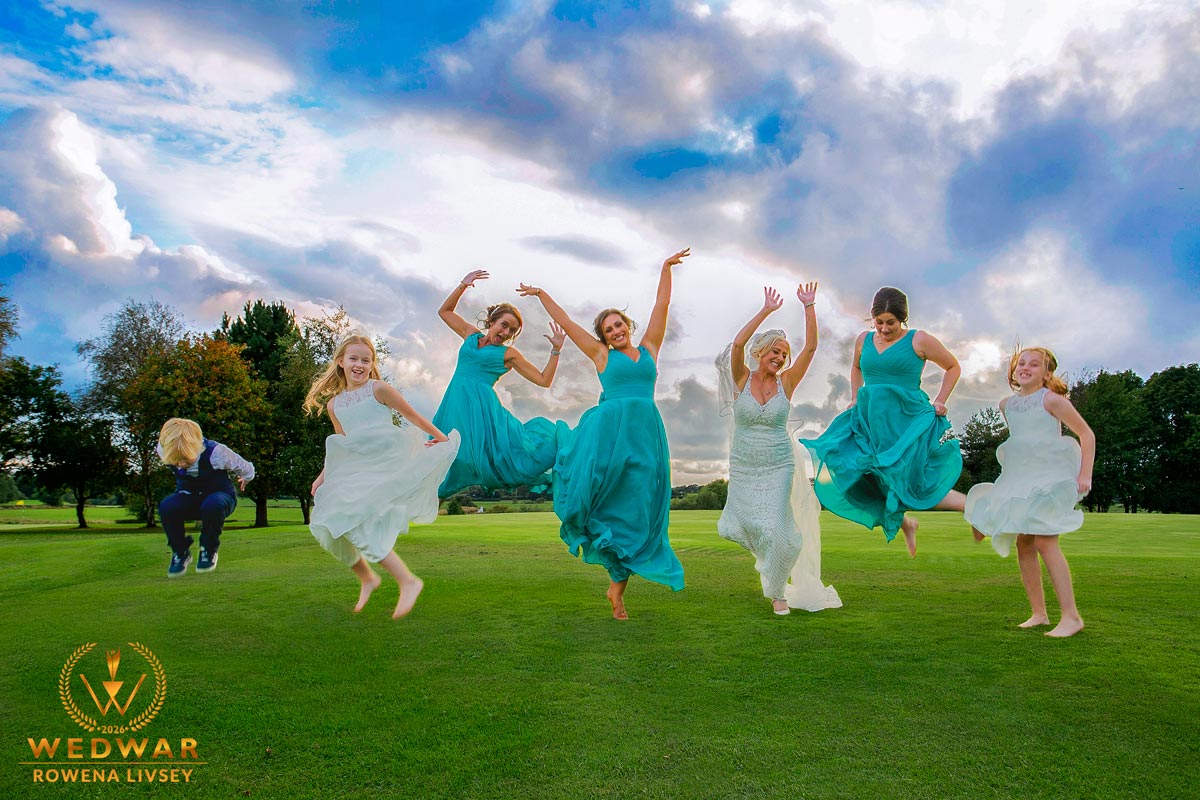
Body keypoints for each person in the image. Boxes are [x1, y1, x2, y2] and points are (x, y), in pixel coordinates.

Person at [518, 248, 690, 619]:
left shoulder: (649, 349)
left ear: (628, 325)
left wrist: (665, 268)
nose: (616, 330)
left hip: (646, 437)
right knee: (609, 506)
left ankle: (616, 587)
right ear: (605, 337)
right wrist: (541, 293)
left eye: (619, 324)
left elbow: (662, 305)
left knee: (640, 510)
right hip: (610, 439)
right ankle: (617, 589)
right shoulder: (601, 356)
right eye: (609, 329)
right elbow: (567, 321)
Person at [305, 334, 460, 619]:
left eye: (366, 360)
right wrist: (321, 477)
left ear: (372, 364)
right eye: (354, 358)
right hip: (356, 469)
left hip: (386, 461)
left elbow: (413, 416)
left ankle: (408, 581)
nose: (360, 365)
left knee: (361, 523)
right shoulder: (334, 405)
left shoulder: (379, 389)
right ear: (341, 362)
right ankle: (367, 577)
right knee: (325, 524)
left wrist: (441, 439)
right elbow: (342, 447)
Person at [801, 287, 964, 557]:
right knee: (857, 476)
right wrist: (855, 396)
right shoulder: (863, 340)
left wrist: (941, 399)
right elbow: (856, 367)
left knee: (908, 481)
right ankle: (906, 523)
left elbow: (953, 367)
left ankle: (970, 507)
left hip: (904, 422)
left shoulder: (919, 340)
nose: (885, 328)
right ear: (872, 317)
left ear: (903, 319)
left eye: (891, 322)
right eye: (879, 322)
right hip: (869, 420)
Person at [716, 284, 841, 615]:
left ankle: (777, 592)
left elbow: (811, 348)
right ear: (760, 352)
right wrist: (766, 310)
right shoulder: (741, 378)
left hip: (779, 464)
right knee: (741, 527)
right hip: (744, 464)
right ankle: (767, 566)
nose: (780, 358)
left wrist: (809, 306)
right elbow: (738, 344)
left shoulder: (786, 383)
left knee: (783, 535)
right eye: (775, 351)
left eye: (784, 354)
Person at [965, 347, 1094, 637]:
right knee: (1024, 542)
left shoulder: (1052, 400)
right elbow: (1023, 443)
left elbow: (1086, 434)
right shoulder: (1006, 405)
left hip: (1050, 475)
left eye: (1034, 365)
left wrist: (1084, 474)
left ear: (1047, 374)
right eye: (1021, 363)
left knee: (1045, 541)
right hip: (1022, 475)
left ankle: (1071, 617)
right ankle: (1039, 613)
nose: (1025, 368)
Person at [432, 269, 567, 497]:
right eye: (504, 325)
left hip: (482, 412)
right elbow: (444, 312)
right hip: (454, 404)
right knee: (440, 456)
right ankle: (420, 503)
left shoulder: (508, 354)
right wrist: (463, 285)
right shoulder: (471, 335)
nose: (506, 332)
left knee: (495, 458)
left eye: (512, 331)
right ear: (491, 321)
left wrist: (556, 350)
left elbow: (544, 380)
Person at [158, 418, 255, 577]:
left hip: (220, 497)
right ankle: (180, 552)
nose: (180, 464)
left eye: (186, 459)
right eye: (176, 460)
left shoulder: (217, 452)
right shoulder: (163, 449)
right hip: (189, 497)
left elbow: (248, 469)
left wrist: (246, 478)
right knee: (167, 507)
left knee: (212, 504)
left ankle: (208, 550)